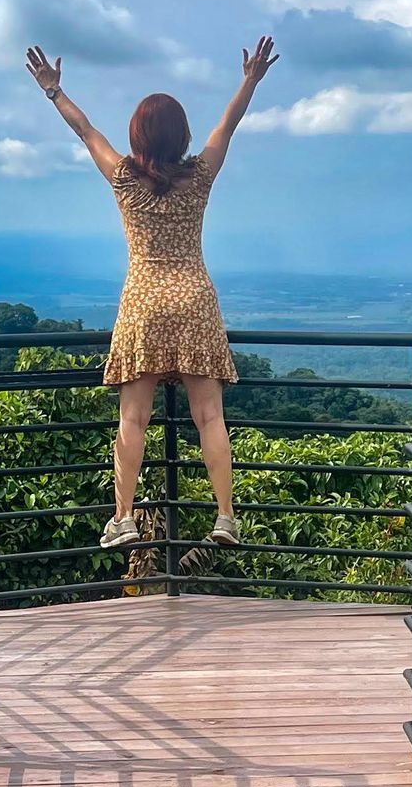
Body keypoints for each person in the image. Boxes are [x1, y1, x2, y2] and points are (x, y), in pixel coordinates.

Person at [25, 36, 279, 553]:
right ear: (181, 135)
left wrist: (54, 91)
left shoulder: (123, 178)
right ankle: (225, 517)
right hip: (194, 301)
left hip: (143, 302)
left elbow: (85, 130)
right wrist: (249, 81)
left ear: (137, 134)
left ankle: (123, 519)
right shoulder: (200, 177)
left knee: (133, 418)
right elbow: (226, 126)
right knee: (209, 416)